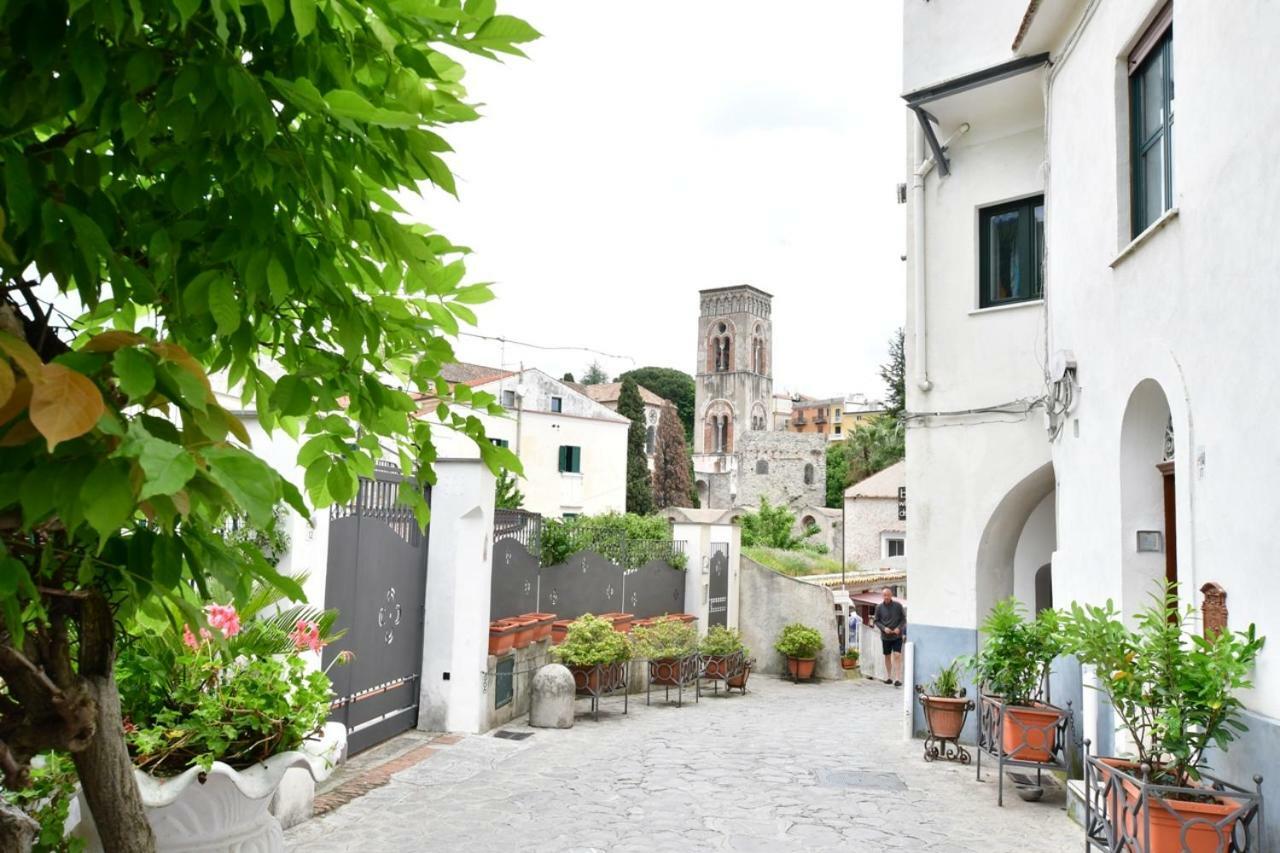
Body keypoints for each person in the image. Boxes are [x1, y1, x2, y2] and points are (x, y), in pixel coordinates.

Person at [873, 587, 906, 686]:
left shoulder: (898, 606)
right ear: (882, 596)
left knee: (897, 655)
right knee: (887, 656)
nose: (886, 597)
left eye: (888, 595)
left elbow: (903, 619)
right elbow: (876, 621)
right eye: (884, 595)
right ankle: (889, 677)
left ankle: (897, 679)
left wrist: (899, 628)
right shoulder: (879, 607)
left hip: (897, 636)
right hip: (885, 636)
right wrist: (884, 628)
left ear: (891, 595)